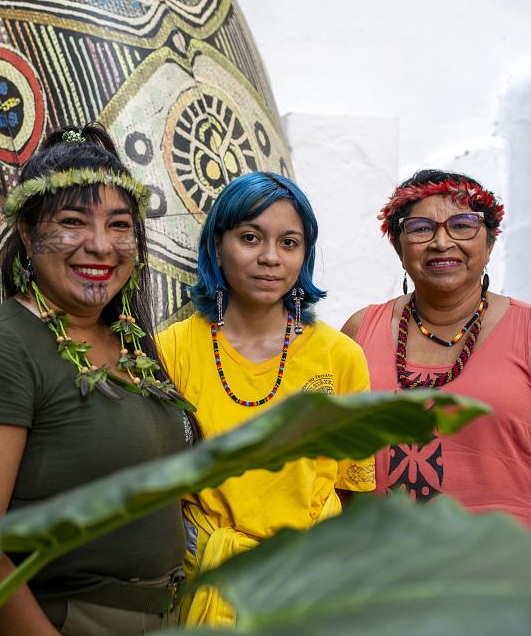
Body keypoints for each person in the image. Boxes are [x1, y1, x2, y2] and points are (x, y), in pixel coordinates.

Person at [0, 124, 196, 635]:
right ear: (26, 233)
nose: (100, 245)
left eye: (119, 226)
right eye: (73, 222)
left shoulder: (132, 343)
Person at [341, 169, 531, 541]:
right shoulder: (360, 332)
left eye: (462, 225)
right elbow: (332, 468)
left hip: (511, 581)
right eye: (421, 228)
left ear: (488, 244)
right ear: (399, 246)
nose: (442, 242)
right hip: (383, 583)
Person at [157, 172, 375, 627]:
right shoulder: (173, 350)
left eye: (289, 242)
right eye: (251, 238)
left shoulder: (340, 357)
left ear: (305, 255)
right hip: (207, 584)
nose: (270, 258)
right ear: (218, 246)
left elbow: (355, 495)